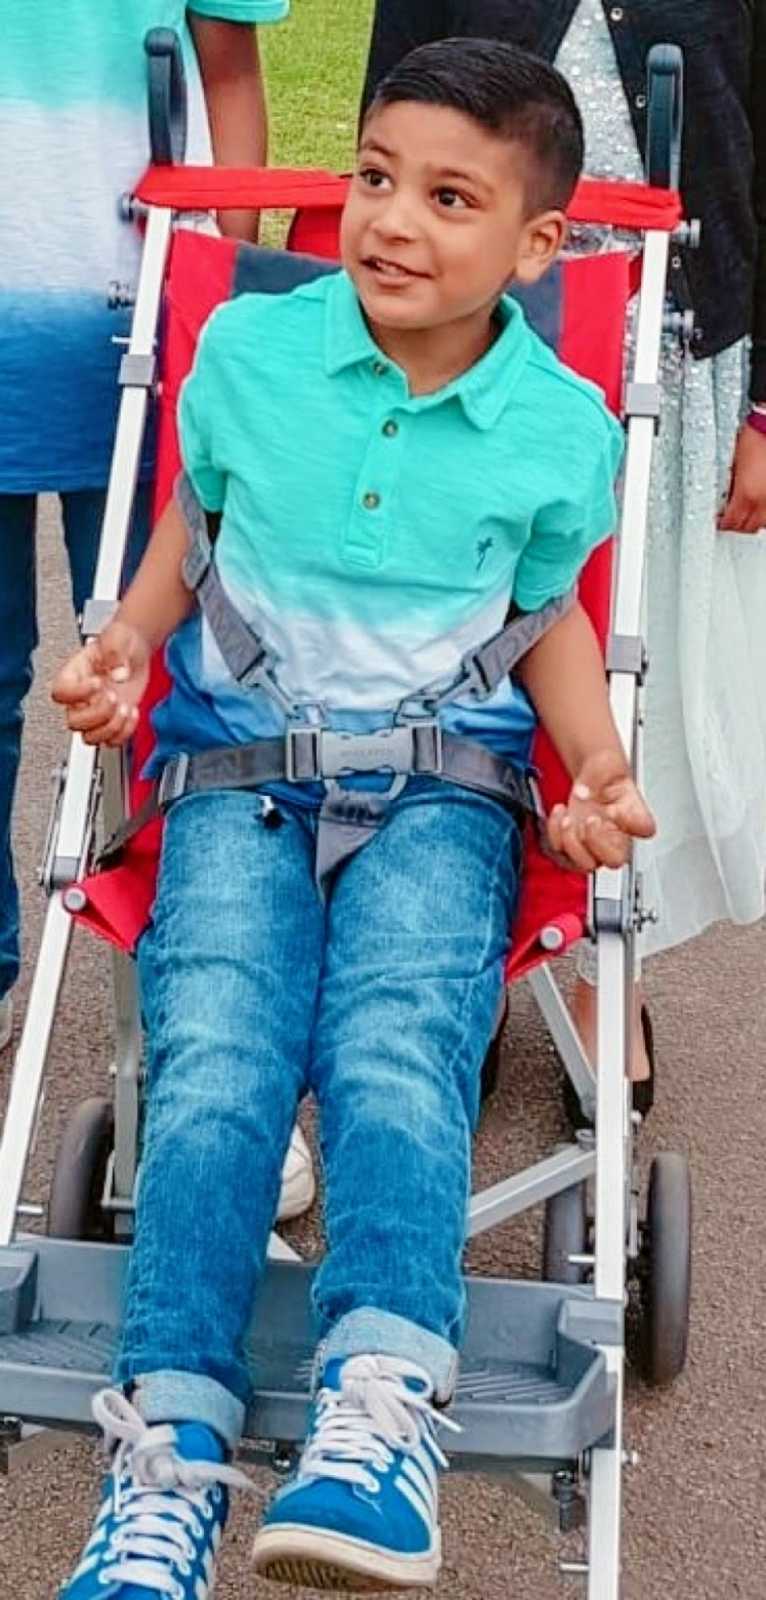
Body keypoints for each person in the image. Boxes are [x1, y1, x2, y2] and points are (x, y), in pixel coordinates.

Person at [51, 41, 654, 1597]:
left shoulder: (553, 420)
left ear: (536, 248)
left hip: (444, 790)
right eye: (373, 177)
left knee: (398, 1054)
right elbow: (198, 536)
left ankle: (380, 1421)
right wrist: (122, 647)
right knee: (214, 1075)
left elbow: (549, 625)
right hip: (235, 773)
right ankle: (167, 1455)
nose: (389, 219)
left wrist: (590, 776)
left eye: (449, 197)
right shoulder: (253, 357)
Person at [362, 0, 766, 1096]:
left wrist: (764, 411)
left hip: (675, 367)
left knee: (634, 667)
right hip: (482, 367)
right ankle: (467, 961)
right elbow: (386, 147)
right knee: (473, 659)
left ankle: (606, 971)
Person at [0, 2, 315, 1220]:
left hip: (135, 325)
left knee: (172, 695)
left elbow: (229, 76)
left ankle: (204, 1055)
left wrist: (220, 287)